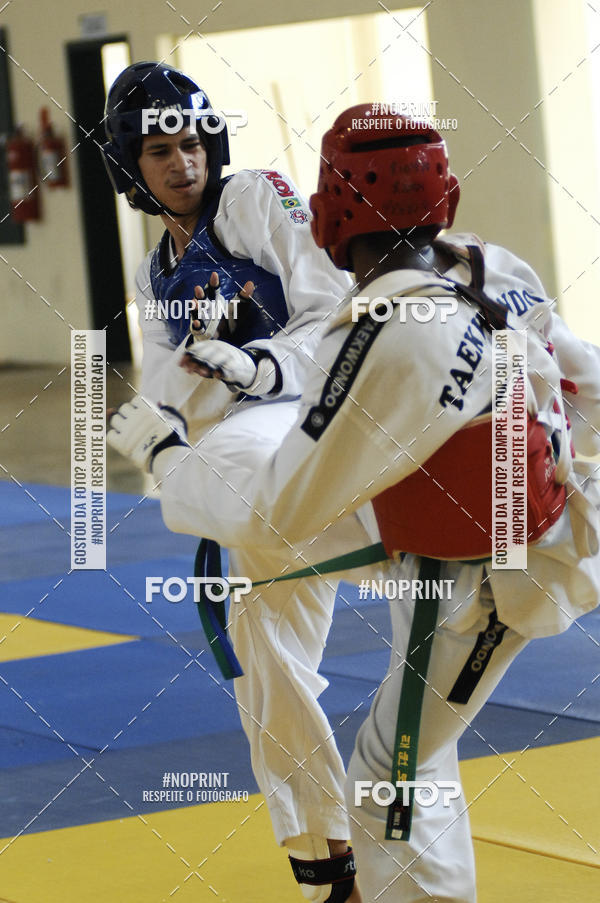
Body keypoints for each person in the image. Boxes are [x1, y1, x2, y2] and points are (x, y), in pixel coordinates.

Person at [107, 105, 600, 901]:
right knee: (271, 600)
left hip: (485, 583)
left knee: (388, 780)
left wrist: (166, 456)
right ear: (447, 199)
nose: (181, 161)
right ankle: (328, 850)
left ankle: (365, 875)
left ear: (329, 214)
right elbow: (585, 379)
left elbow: (279, 508)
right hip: (495, 527)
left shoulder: (377, 336)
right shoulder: (488, 266)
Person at [101, 63, 372, 902]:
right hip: (245, 458)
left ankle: (351, 844)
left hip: (311, 426)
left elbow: (334, 310)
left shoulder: (251, 197)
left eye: (190, 142)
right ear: (132, 167)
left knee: (262, 638)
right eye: (158, 151)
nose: (181, 162)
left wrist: (257, 364)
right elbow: (167, 387)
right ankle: (327, 864)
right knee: (263, 661)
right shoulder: (153, 273)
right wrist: (182, 394)